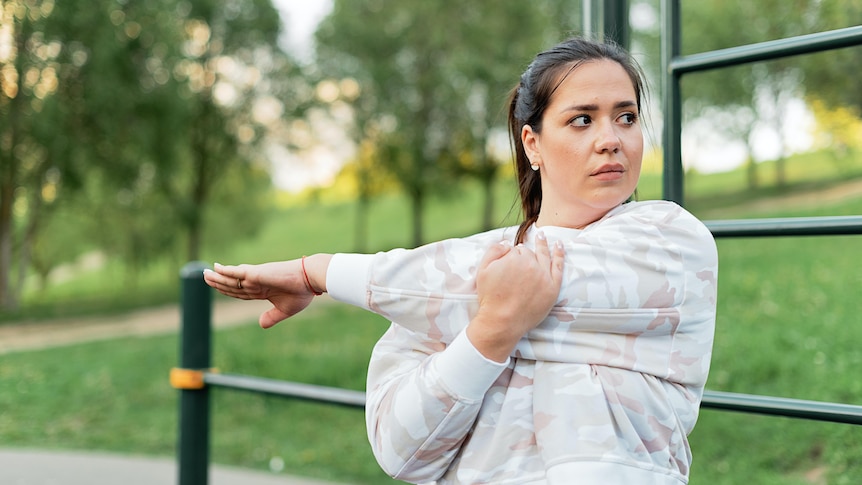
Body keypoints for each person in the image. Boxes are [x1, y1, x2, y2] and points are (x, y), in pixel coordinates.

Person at [204, 37, 718, 485]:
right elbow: (399, 448)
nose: (611, 139)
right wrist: (490, 335)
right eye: (582, 120)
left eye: (626, 117)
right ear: (532, 143)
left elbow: (486, 284)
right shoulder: (441, 279)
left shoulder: (672, 244)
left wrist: (316, 272)